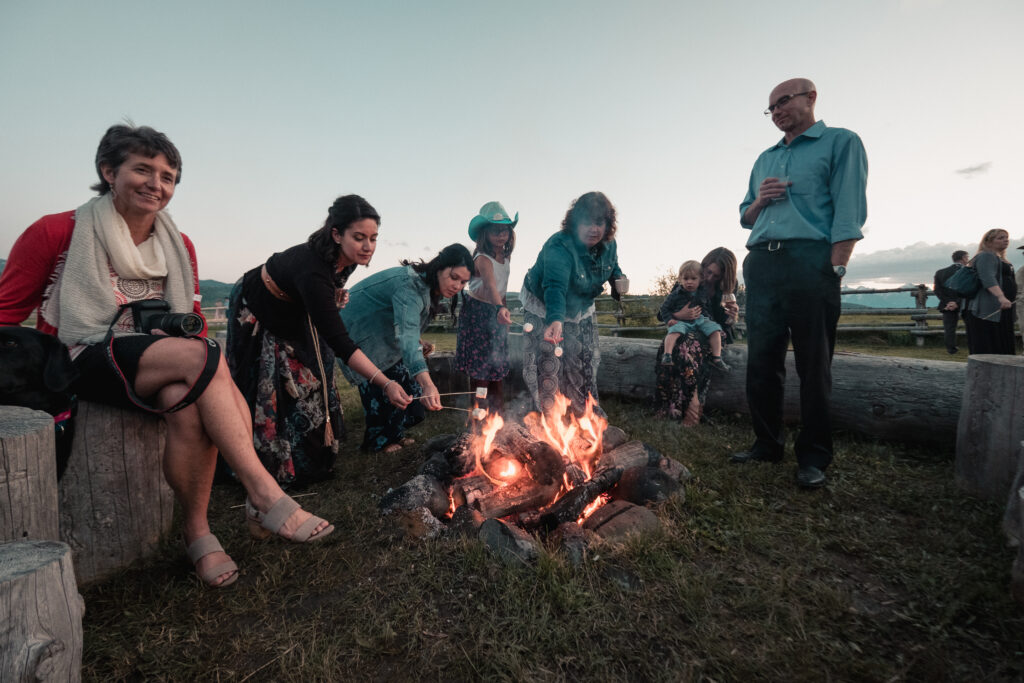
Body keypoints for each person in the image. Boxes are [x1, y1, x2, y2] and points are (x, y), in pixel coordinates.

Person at [0, 124, 333, 589]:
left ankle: (198, 535)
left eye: (169, 176)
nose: (157, 183)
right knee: (203, 360)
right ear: (108, 171)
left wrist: (165, 331)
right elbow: (6, 314)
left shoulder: (180, 246)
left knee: (185, 390)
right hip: (82, 355)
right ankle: (263, 493)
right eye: (143, 169)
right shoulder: (58, 231)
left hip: (156, 365)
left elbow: (190, 318)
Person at [733, 78, 868, 489]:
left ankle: (813, 458)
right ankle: (766, 444)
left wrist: (836, 268)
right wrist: (760, 200)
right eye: (770, 108)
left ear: (810, 98)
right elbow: (744, 216)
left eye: (783, 102)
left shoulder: (841, 143)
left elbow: (849, 211)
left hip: (811, 262)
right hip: (762, 263)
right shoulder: (764, 159)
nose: (776, 112)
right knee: (762, 361)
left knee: (813, 365)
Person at [226, 195, 412, 486]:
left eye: (374, 238)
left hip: (296, 310)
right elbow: (341, 342)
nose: (368, 247)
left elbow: (329, 288)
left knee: (316, 377)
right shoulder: (313, 269)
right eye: (359, 237)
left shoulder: (347, 260)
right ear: (336, 234)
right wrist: (385, 382)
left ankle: (311, 460)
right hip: (260, 307)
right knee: (272, 387)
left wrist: (334, 293)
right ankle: (265, 466)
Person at [339, 244, 474, 452]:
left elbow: (405, 325)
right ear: (440, 267)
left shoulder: (427, 287)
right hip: (359, 334)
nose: (457, 285)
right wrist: (429, 384)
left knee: (410, 395)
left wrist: (418, 341)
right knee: (385, 388)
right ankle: (378, 443)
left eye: (463, 282)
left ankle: (394, 434)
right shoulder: (409, 287)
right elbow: (406, 338)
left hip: (381, 333)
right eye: (454, 277)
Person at [520, 191, 624, 418]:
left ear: (607, 224)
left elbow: (612, 266)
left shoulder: (609, 244)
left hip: (581, 307)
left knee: (583, 359)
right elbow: (555, 286)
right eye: (587, 222)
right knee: (549, 364)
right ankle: (547, 420)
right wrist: (555, 319)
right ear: (575, 222)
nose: (593, 229)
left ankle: (584, 416)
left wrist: (618, 281)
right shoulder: (559, 245)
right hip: (545, 305)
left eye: (599, 222)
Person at [654, 248, 739, 426]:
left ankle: (693, 404)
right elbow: (662, 314)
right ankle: (667, 405)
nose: (709, 278)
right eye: (708, 272)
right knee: (670, 345)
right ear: (704, 265)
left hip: (713, 332)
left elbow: (725, 323)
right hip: (688, 327)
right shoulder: (687, 279)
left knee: (687, 347)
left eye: (716, 276)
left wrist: (732, 316)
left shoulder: (729, 286)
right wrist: (680, 315)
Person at [454, 201, 517, 416]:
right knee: (480, 366)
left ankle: (497, 412)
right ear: (484, 234)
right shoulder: (482, 258)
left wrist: (503, 309)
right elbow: (490, 287)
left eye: (505, 230)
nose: (501, 235)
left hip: (497, 310)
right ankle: (479, 411)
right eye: (495, 231)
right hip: (478, 313)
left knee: (497, 362)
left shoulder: (505, 257)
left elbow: (502, 289)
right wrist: (499, 307)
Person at [659, 260, 731, 372]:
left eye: (693, 279)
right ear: (680, 279)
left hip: (700, 319)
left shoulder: (702, 293)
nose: (689, 282)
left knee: (715, 330)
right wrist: (670, 319)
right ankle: (667, 355)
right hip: (682, 322)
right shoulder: (675, 294)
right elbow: (664, 308)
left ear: (700, 279)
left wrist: (710, 321)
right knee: (673, 332)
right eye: (686, 279)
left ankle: (717, 358)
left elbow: (707, 308)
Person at [964, 228, 1016, 355]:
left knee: (1001, 342)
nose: (1005, 240)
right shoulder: (986, 255)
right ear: (988, 242)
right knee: (988, 344)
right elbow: (987, 277)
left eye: (1006, 238)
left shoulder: (1000, 259)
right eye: (1000, 238)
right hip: (987, 308)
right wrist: (1001, 297)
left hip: (1001, 309)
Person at [933, 250, 969, 354]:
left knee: (949, 328)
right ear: (963, 258)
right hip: (964, 302)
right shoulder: (967, 271)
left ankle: (951, 349)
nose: (967, 259)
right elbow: (967, 289)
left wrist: (948, 302)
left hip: (947, 305)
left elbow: (937, 290)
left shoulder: (940, 272)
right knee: (970, 326)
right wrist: (957, 302)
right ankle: (973, 346)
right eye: (967, 257)